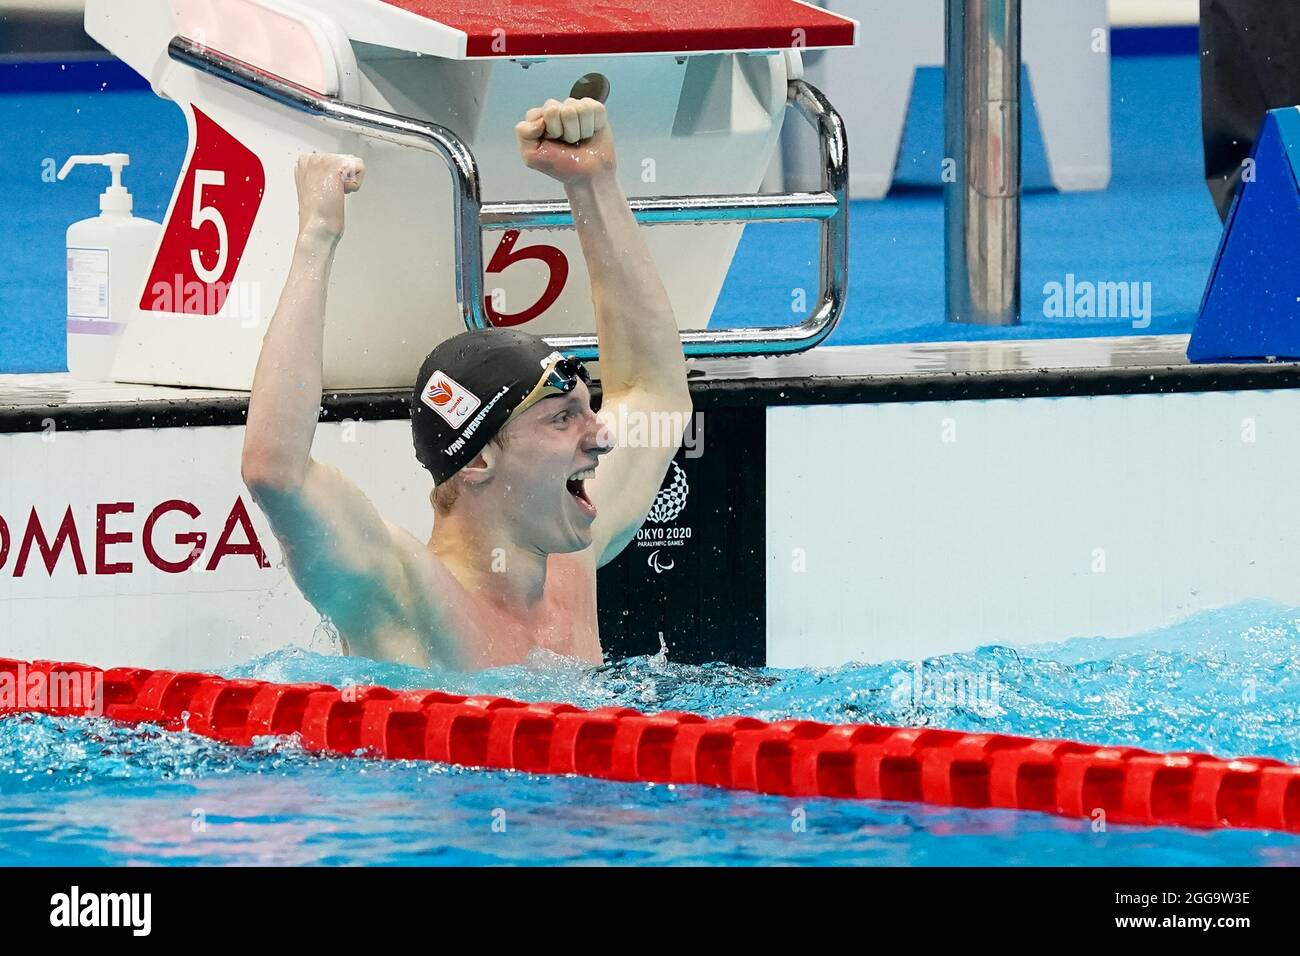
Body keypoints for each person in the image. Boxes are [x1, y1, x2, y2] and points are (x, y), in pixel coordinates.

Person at [241, 95, 692, 670]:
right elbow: (274, 471)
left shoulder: (568, 563)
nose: (600, 436)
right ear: (477, 460)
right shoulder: (404, 595)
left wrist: (593, 184)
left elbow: (654, 393)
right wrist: (316, 237)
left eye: (587, 408)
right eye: (562, 416)